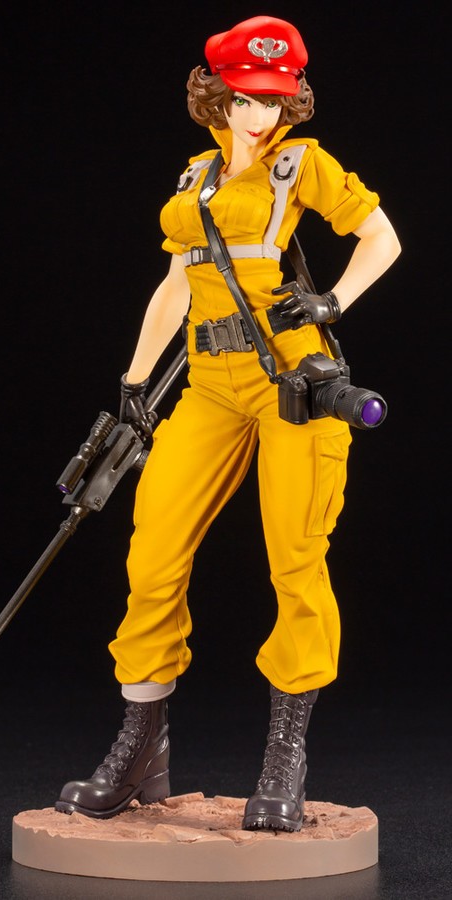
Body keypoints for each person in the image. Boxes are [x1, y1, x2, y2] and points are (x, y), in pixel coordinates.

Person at [55, 14, 401, 832]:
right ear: (216, 97)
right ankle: (141, 746)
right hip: (208, 384)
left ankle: (286, 753)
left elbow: (381, 237)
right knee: (154, 546)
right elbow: (176, 285)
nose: (258, 114)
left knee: (296, 558)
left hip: (291, 379)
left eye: (272, 99)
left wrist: (331, 302)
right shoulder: (197, 179)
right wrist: (135, 379)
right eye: (244, 98)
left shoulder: (299, 165)